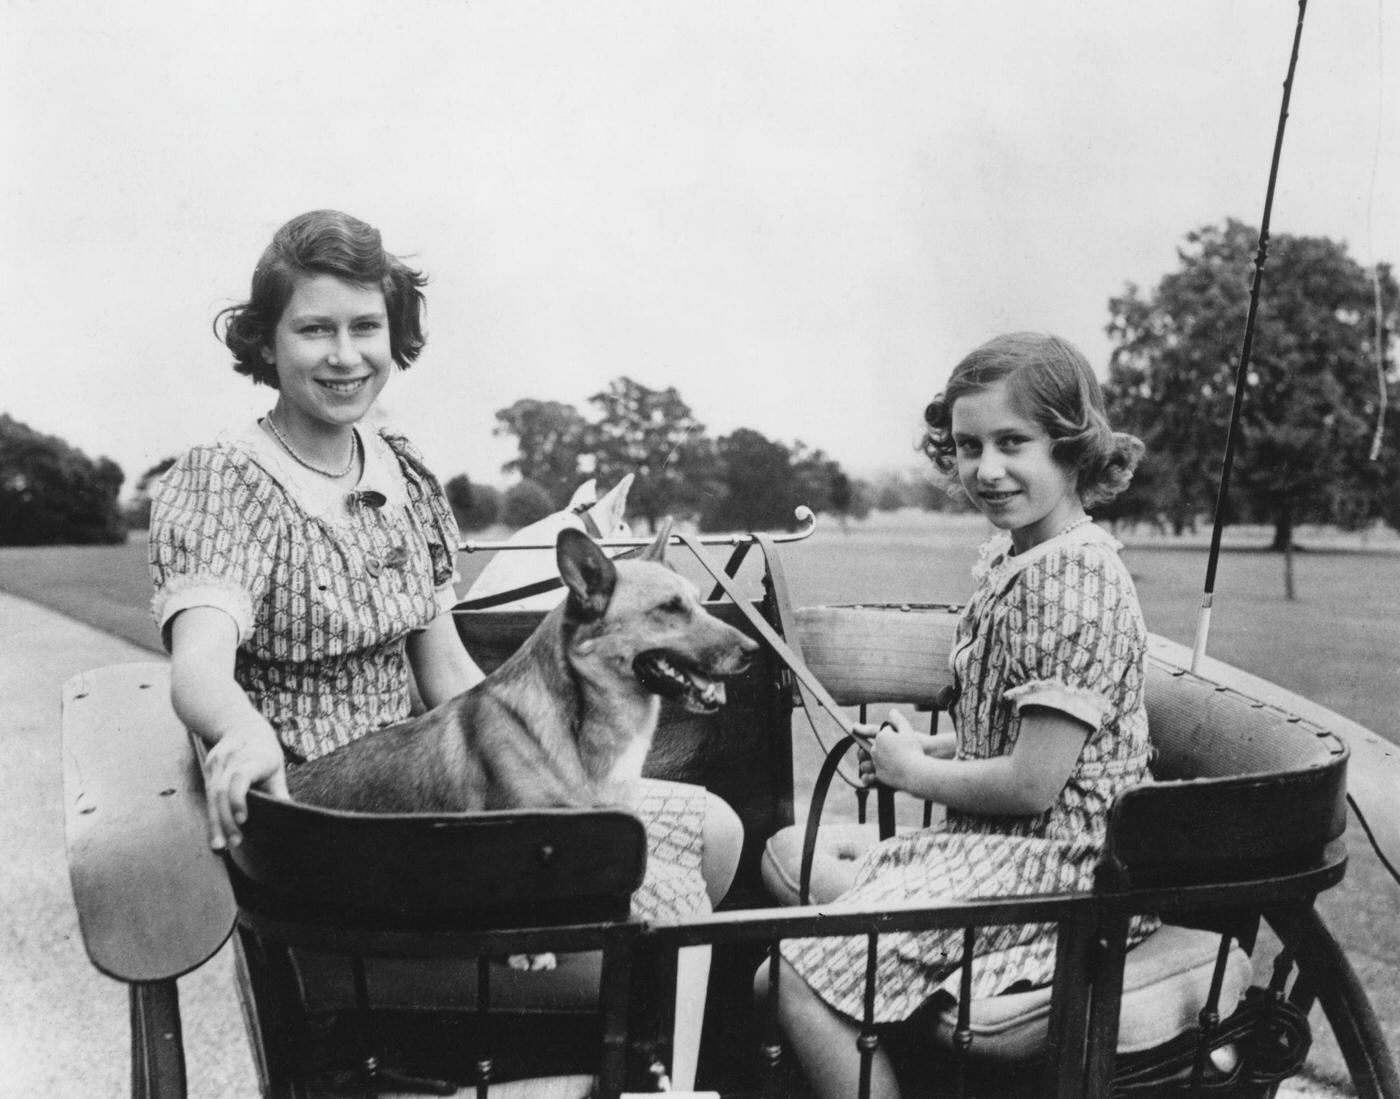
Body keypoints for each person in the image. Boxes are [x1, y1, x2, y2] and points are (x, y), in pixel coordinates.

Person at [149, 209, 741, 920]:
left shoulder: (401, 470)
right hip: (329, 825)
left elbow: (449, 673)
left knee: (716, 834)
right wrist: (243, 732)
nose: (345, 355)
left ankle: (599, 1024)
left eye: (365, 326)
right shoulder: (224, 480)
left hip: (430, 784)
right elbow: (200, 666)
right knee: (668, 904)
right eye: (315, 329)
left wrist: (551, 762)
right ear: (268, 343)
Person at [763, 332, 1154, 1097]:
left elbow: (1033, 785)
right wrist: (938, 749)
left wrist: (916, 774)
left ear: (1072, 447)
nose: (987, 468)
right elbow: (1014, 736)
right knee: (789, 863)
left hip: (1065, 870)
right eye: (969, 444)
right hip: (1002, 847)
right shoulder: (1021, 556)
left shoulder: (1074, 579)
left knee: (789, 980)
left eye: (1014, 442)